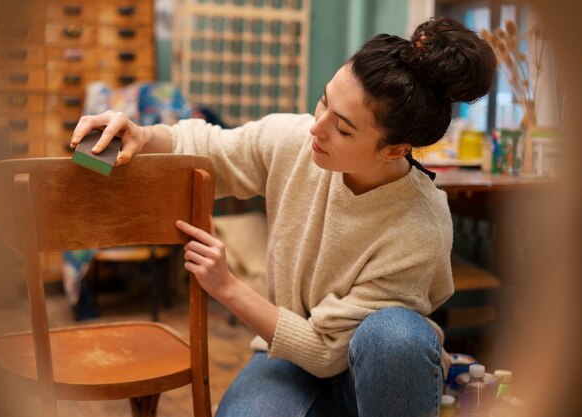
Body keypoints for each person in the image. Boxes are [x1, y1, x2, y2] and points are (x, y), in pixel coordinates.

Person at [70, 17, 496, 417]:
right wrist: (144, 135)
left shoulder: (420, 225)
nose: (317, 127)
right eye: (324, 101)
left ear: (394, 149)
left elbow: (328, 352)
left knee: (394, 336)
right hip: (287, 356)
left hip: (379, 369)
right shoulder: (297, 142)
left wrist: (228, 287)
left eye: (343, 128)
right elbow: (209, 147)